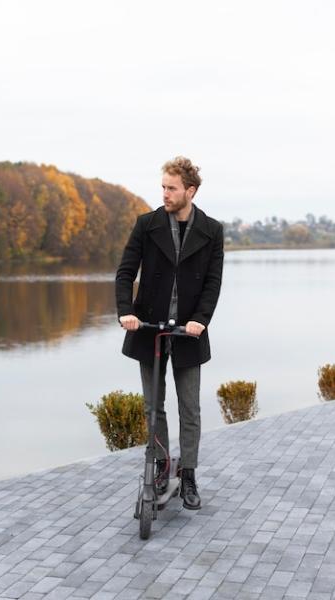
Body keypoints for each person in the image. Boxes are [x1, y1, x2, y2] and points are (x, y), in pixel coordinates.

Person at [115, 156, 224, 510]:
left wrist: (201, 319)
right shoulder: (147, 225)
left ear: (189, 191)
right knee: (153, 407)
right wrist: (126, 312)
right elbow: (124, 272)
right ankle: (161, 467)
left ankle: (188, 474)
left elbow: (212, 282)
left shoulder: (211, 230)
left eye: (171, 188)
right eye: (163, 186)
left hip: (189, 332)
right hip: (150, 329)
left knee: (190, 407)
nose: (164, 193)